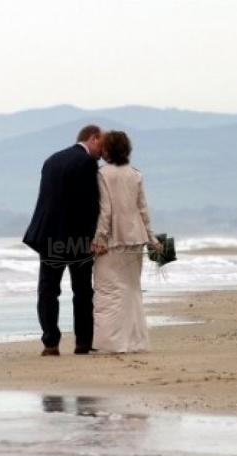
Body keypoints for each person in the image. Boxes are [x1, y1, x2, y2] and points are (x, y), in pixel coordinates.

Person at [22, 125, 103, 356]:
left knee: (48, 290)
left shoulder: (51, 160)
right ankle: (83, 342)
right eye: (101, 145)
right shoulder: (87, 163)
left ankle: (50, 343)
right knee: (82, 291)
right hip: (76, 238)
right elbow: (90, 205)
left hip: (48, 235)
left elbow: (47, 200)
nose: (102, 152)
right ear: (92, 138)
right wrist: (92, 237)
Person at [91, 131, 161, 353]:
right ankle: (136, 342)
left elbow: (106, 211)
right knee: (131, 290)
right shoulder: (136, 174)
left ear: (108, 150)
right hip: (135, 238)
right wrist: (151, 237)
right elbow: (143, 209)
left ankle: (111, 343)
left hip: (112, 239)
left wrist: (99, 238)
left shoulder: (103, 174)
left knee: (108, 291)